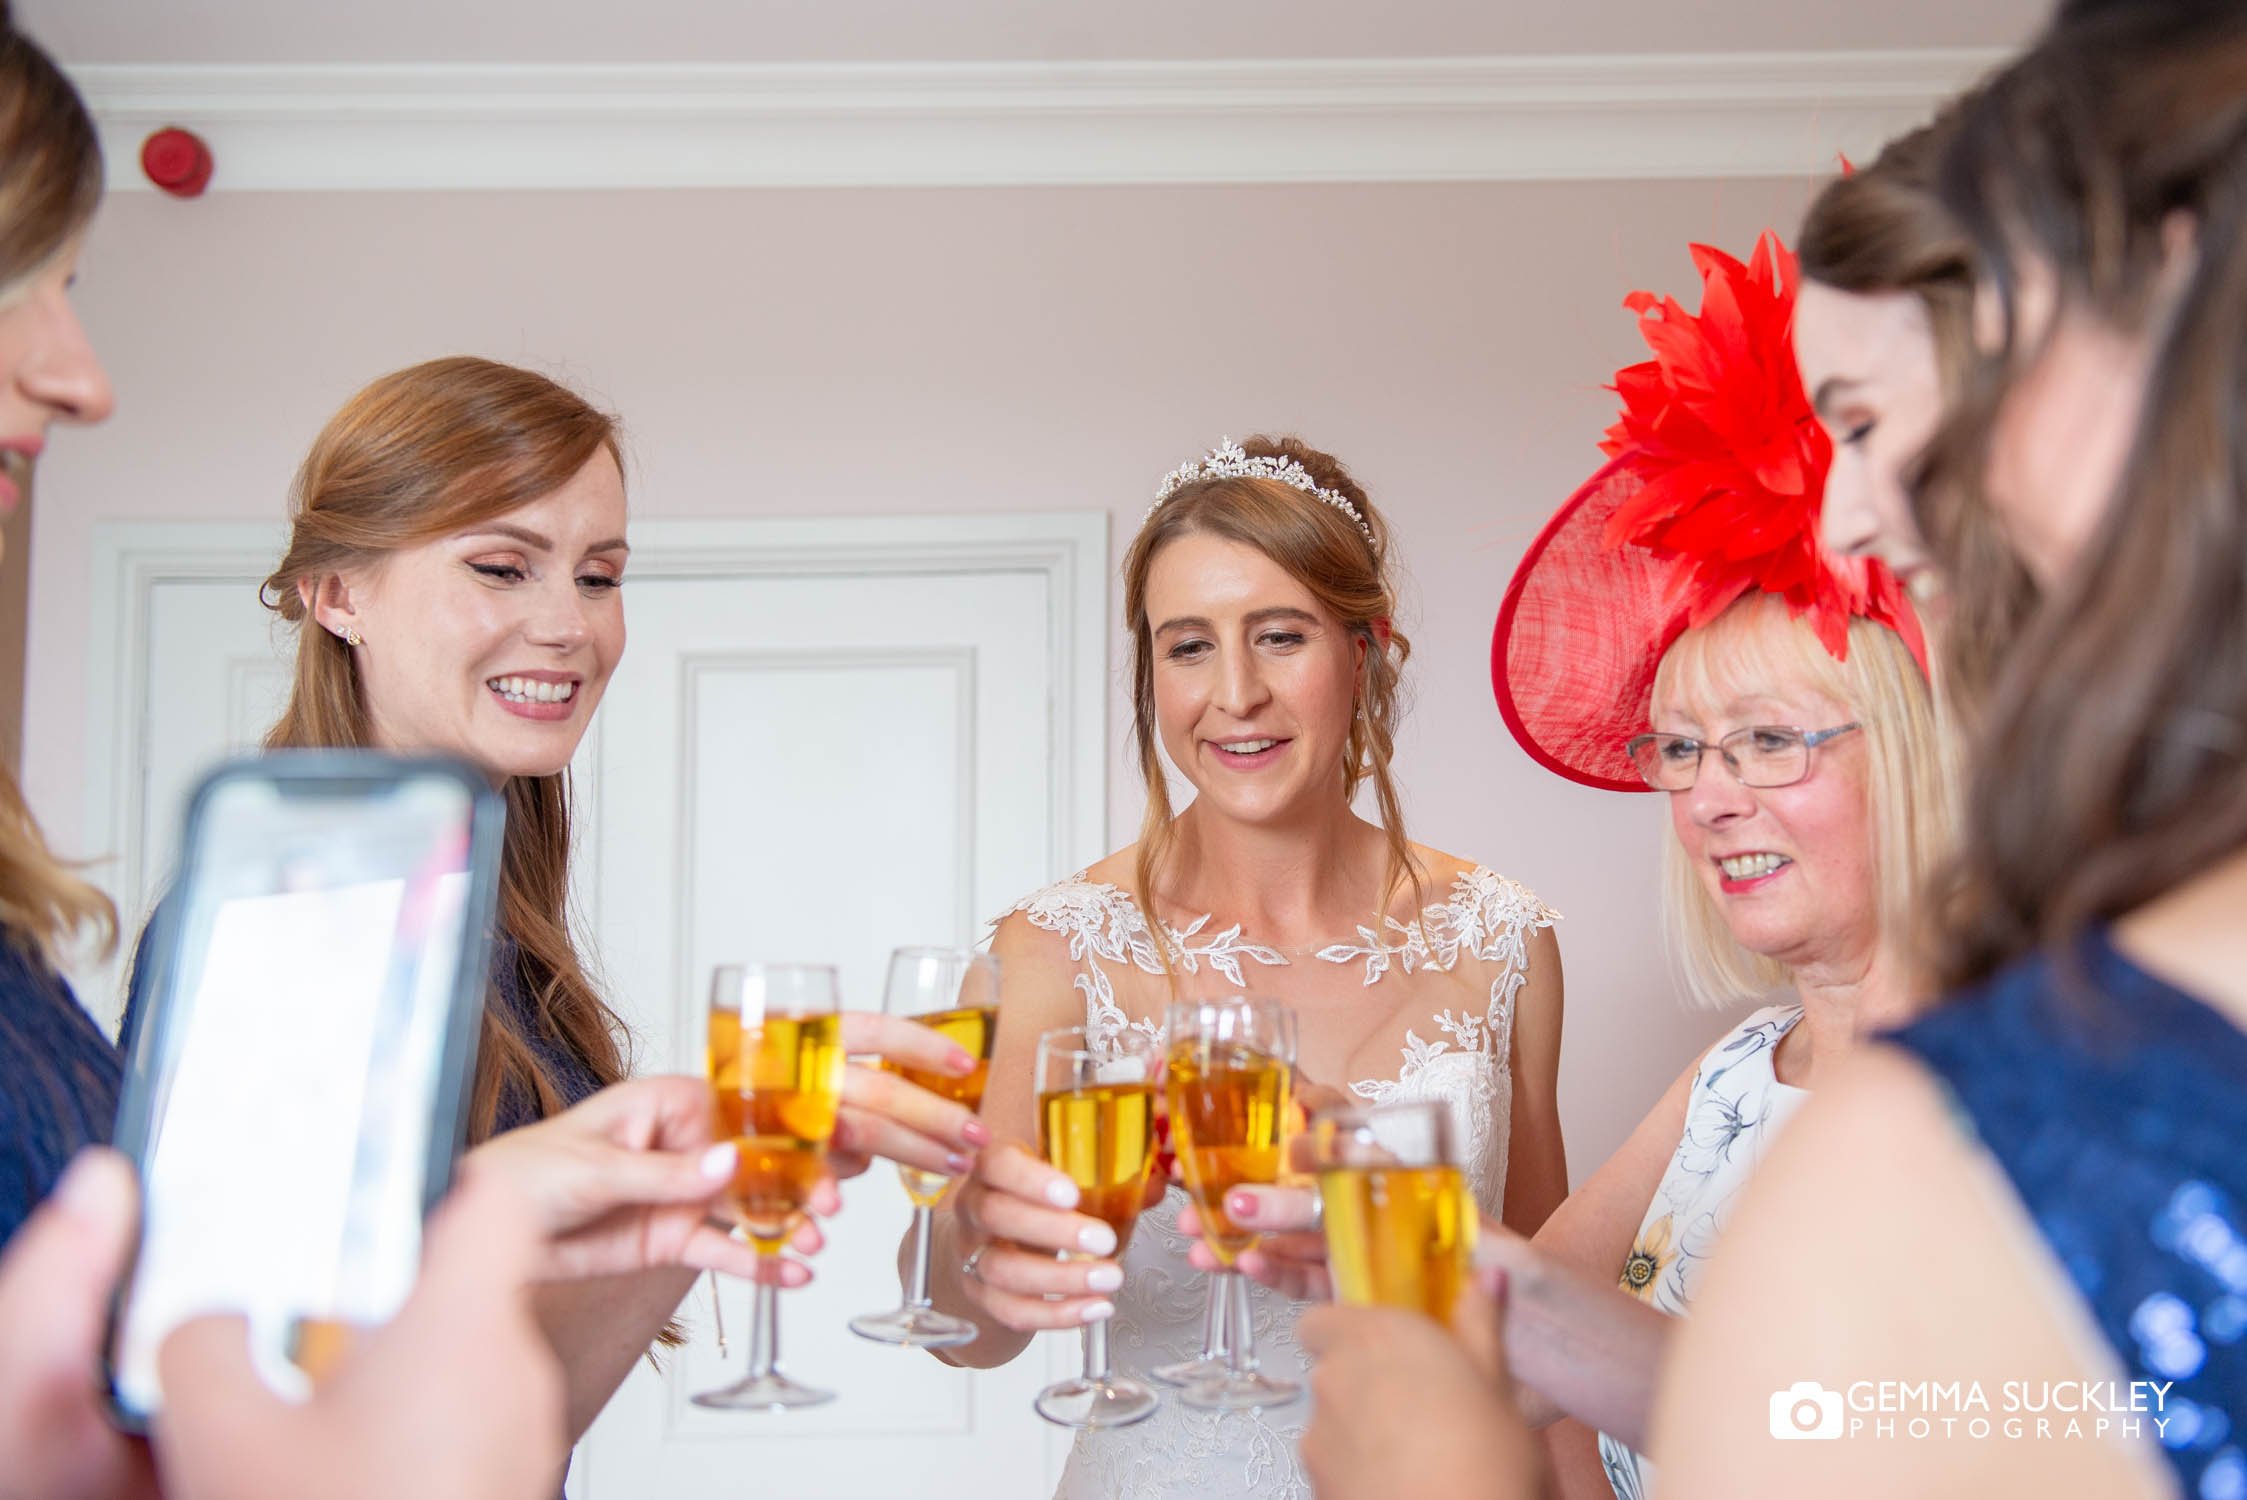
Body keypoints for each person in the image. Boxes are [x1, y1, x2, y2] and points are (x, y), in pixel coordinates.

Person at [119, 355, 994, 1439]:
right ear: (337, 594)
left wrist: (716, 1177)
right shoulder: (290, 925)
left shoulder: (488, 924)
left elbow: (532, 1414)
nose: (570, 626)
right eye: (500, 567)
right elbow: (267, 1426)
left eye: (598, 575)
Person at [1656, 6, 2247, 1495]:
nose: (1854, 516)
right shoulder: (1768, 1079)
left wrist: (1438, 1459)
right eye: (1679, 750)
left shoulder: (1966, 1131)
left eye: (1871, 418)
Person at [1270, 236, 1950, 1500]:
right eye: (1682, 748)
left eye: (1765, 740)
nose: (1706, 795)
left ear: (1915, 757)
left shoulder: (2031, 1094)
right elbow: (1540, 1349)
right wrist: (1370, 1193)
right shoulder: (1738, 1077)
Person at [925, 434, 1568, 1497]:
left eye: (1279, 636)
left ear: (1363, 651)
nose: (1236, 693)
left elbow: (1551, 1329)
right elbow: (968, 1334)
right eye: (1187, 646)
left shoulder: (1504, 943)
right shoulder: (1054, 953)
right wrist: (977, 1240)